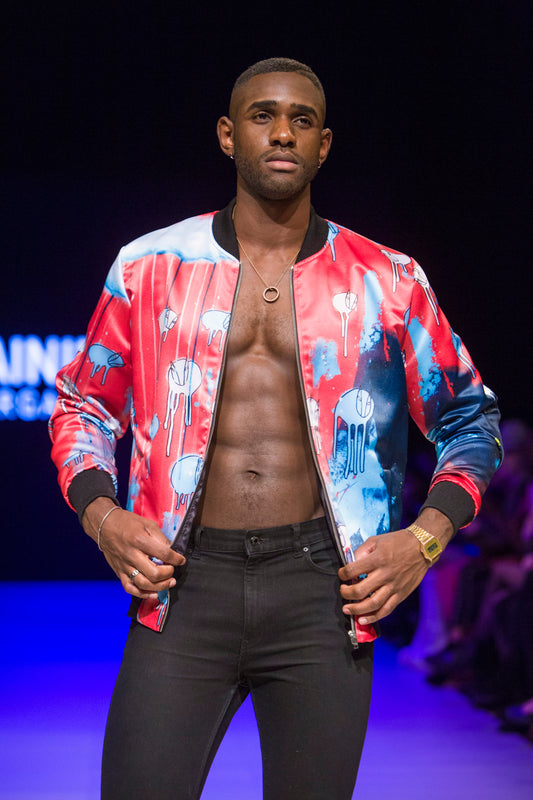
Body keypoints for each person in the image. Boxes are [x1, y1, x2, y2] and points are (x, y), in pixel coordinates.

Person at [49, 57, 502, 800]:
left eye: (302, 120)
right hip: (183, 583)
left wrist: (424, 540)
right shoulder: (149, 267)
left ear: (324, 144)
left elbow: (469, 417)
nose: (282, 133)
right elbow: (83, 405)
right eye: (263, 116)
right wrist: (103, 517)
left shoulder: (387, 279)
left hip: (324, 590)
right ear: (228, 135)